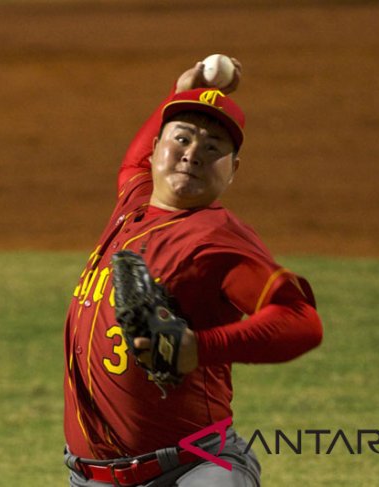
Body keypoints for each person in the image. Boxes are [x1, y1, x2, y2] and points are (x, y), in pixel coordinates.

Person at [63, 57, 323, 486]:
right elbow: (132, 163)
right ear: (157, 150)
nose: (192, 154)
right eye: (181, 139)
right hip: (92, 477)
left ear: (233, 170)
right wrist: (178, 90)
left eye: (213, 148)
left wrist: (198, 347)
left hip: (195, 468)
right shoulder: (135, 202)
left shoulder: (218, 239)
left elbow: (301, 322)